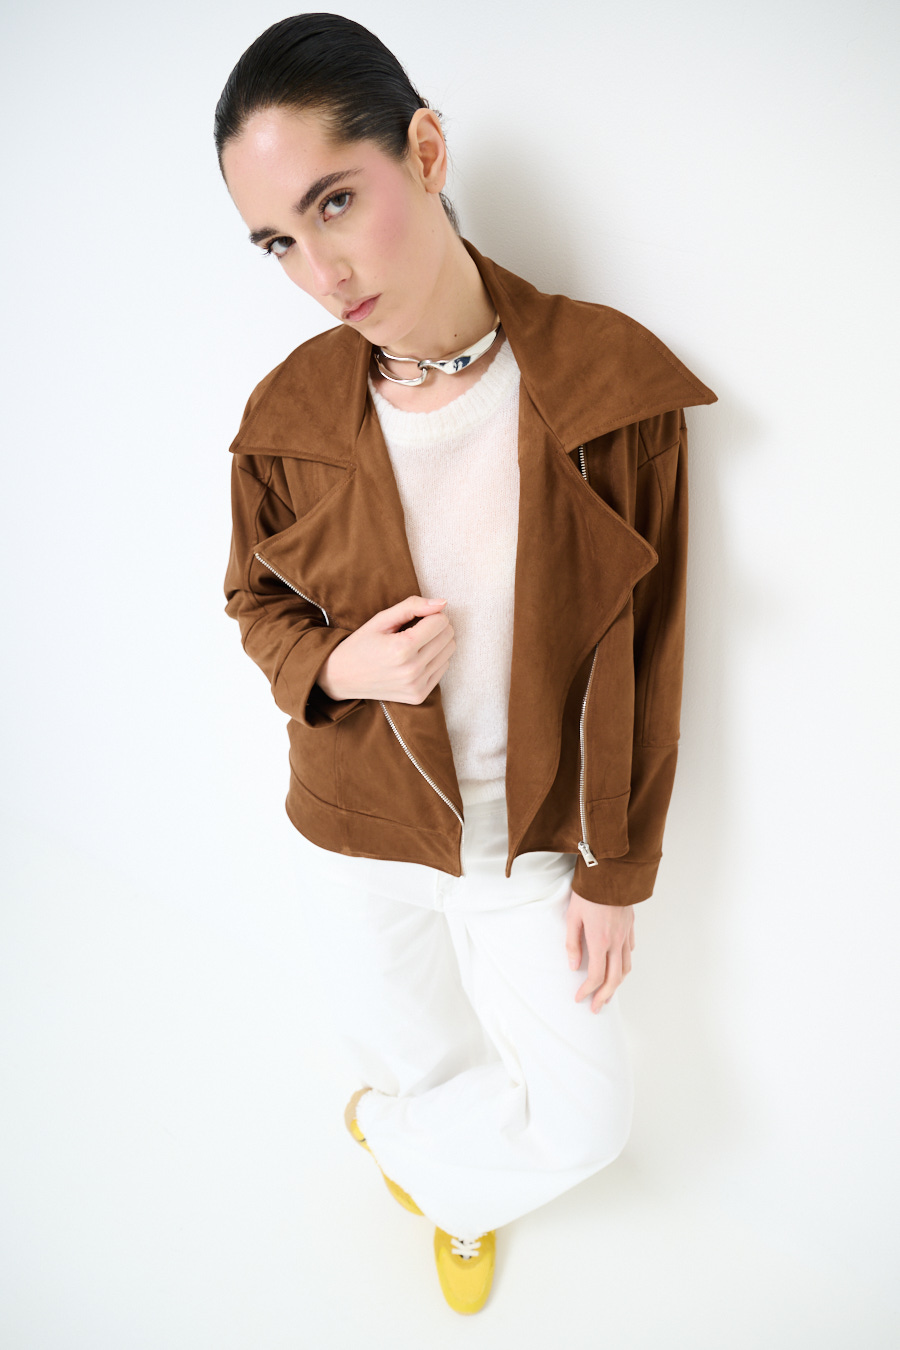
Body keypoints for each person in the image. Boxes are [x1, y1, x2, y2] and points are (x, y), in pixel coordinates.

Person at [214, 12, 717, 1317]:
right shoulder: (286, 416)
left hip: (526, 835)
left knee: (585, 1114)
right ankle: (452, 1184)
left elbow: (655, 641)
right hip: (355, 822)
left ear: (425, 151)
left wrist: (614, 866)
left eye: (335, 201)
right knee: (417, 1052)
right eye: (277, 240)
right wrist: (340, 668)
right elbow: (252, 603)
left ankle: (416, 1159)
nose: (320, 268)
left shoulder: (608, 389)